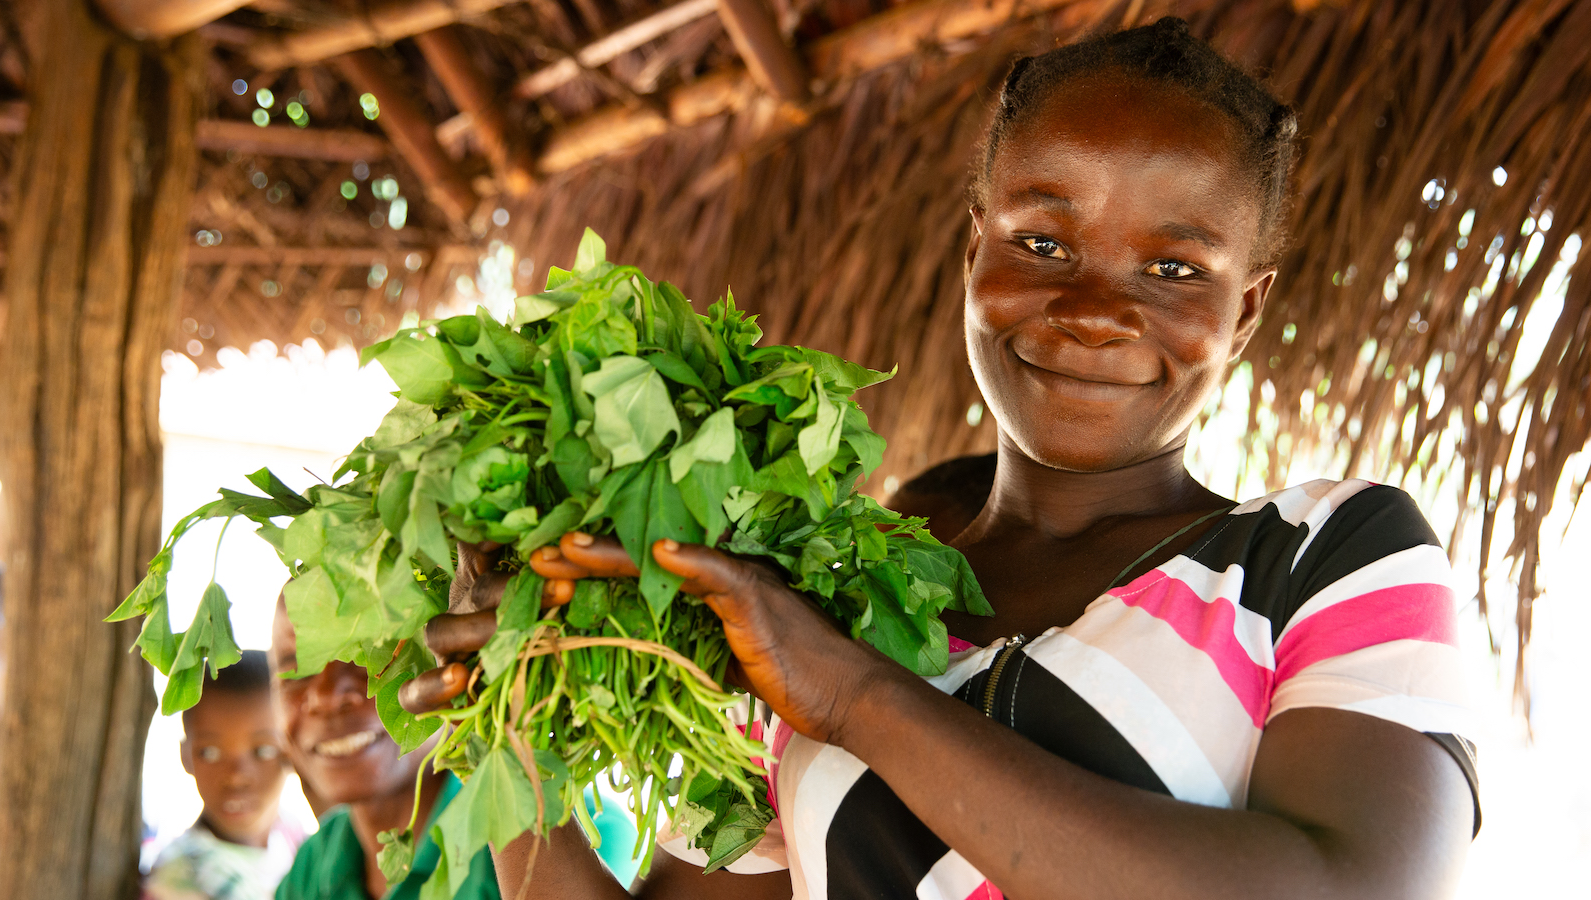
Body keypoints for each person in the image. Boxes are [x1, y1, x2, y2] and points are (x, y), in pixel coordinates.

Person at [401, 17, 1481, 899]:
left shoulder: (1324, 558)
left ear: (1242, 314)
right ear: (975, 254)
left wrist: (858, 700)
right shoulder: (819, 605)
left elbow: (1346, 887)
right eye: (1042, 243)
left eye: (1170, 265)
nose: (1094, 310)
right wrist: (511, 720)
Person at [269, 597, 501, 900]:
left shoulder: (542, 830)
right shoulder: (316, 863)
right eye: (297, 671)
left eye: (373, 656)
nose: (326, 695)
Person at [144, 650, 306, 900]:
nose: (236, 777)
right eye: (210, 753)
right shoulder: (181, 880)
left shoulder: (292, 835)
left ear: (292, 753)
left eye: (263, 751)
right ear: (186, 756)